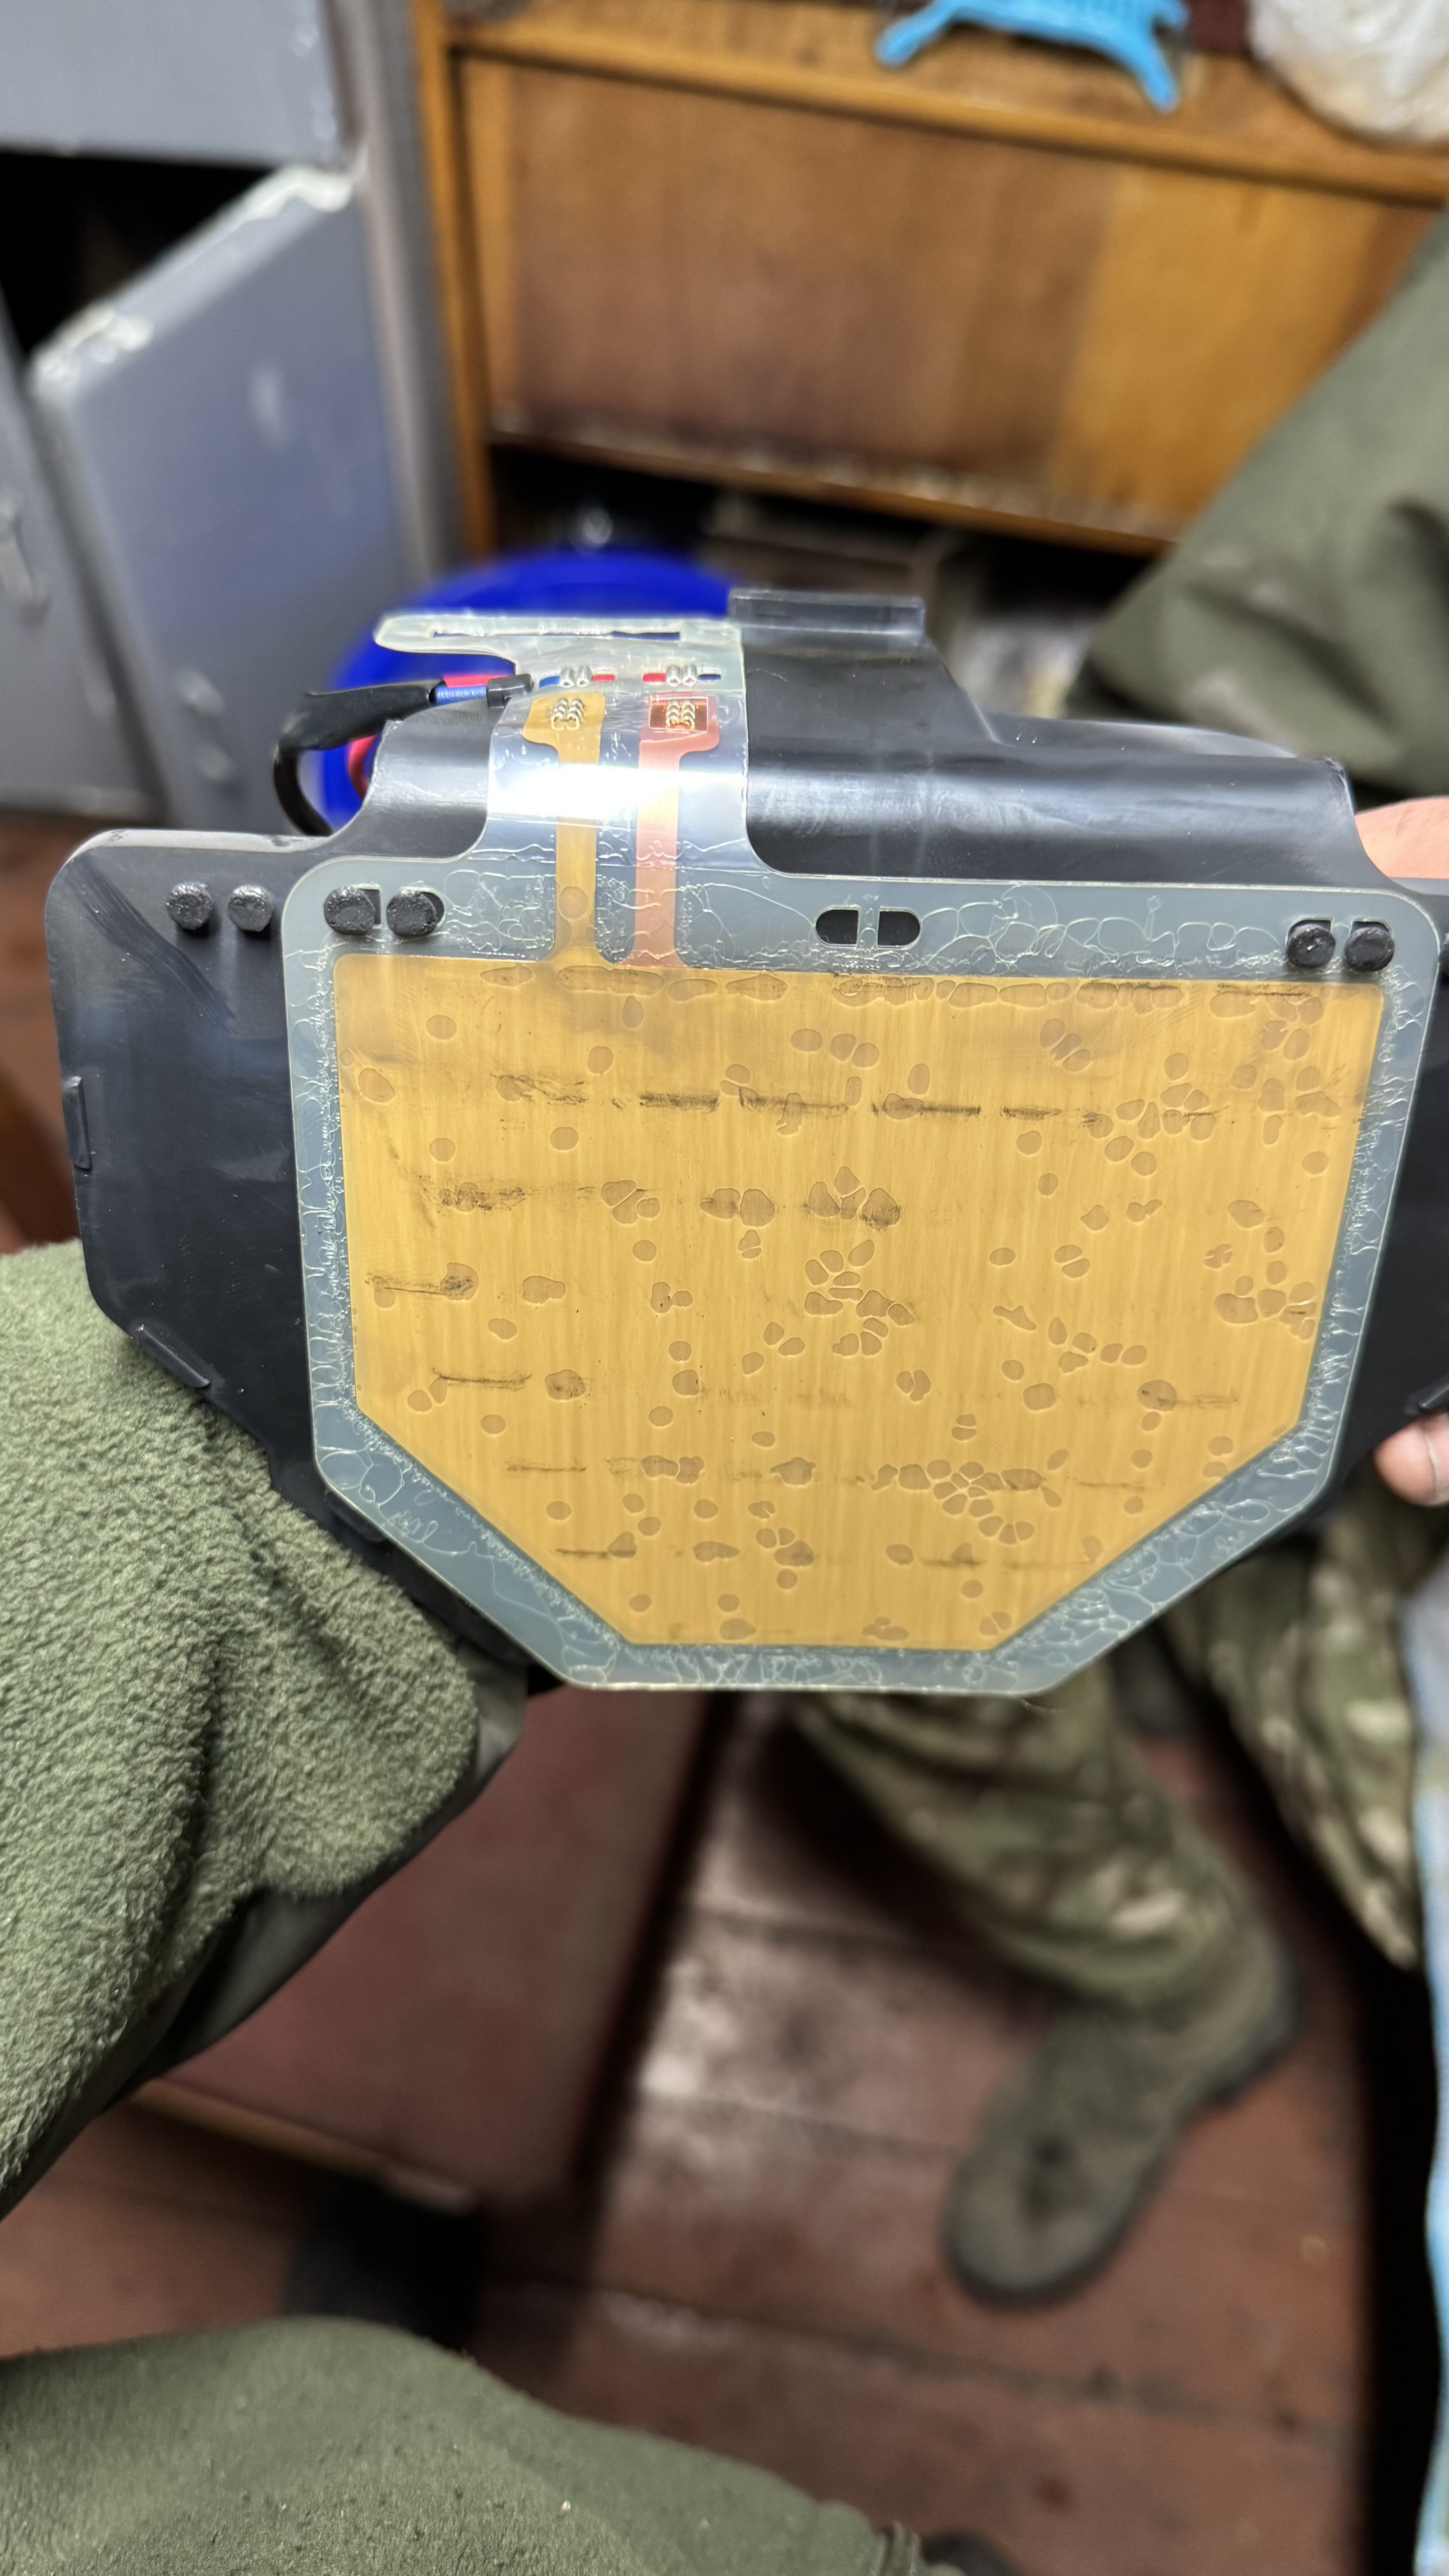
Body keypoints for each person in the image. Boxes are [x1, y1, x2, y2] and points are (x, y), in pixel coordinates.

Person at [777, 209, 1449, 2300]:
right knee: (823, 1519)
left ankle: (1198, 1668)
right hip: (1328, 1182)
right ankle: (1179, 1963)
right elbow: (1216, 734)